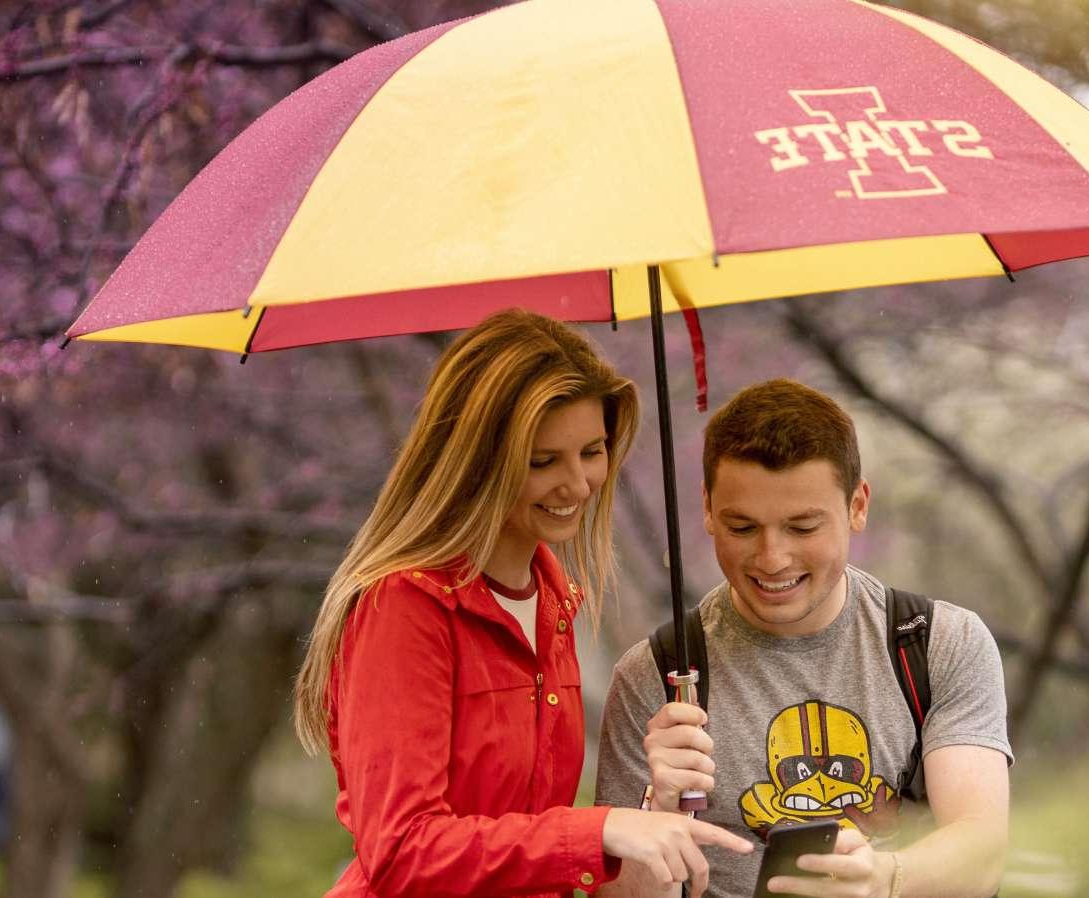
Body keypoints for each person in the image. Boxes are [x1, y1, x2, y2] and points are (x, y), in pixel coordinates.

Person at [292, 309, 749, 898]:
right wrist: (602, 829)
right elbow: (402, 850)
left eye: (592, 451)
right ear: (476, 459)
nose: (578, 484)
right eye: (542, 461)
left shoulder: (554, 602)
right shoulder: (404, 606)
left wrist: (654, 808)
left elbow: (531, 847)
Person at [594, 378, 1012, 898]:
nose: (772, 558)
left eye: (803, 527)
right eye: (743, 528)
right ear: (705, 508)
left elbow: (981, 853)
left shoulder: (935, 644)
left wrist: (881, 880)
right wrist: (657, 809)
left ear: (858, 506)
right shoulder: (656, 676)